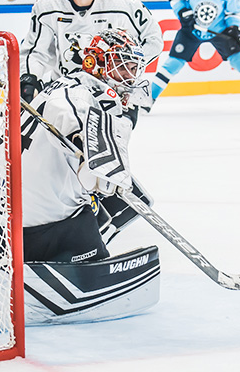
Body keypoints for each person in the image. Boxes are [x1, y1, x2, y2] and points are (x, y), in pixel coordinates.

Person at [20, 29, 150, 263]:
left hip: (6, 211)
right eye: (121, 67)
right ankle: (79, 256)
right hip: (38, 219)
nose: (129, 78)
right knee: (115, 193)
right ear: (95, 63)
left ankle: (88, 242)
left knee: (135, 197)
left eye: (133, 69)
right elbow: (67, 112)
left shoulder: (65, 83)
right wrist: (87, 149)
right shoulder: (80, 93)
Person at [20, 0, 161, 99]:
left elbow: (153, 39)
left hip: (112, 92)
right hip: (63, 90)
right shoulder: (47, 6)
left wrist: (126, 71)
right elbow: (36, 53)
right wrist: (29, 79)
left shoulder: (124, 2)